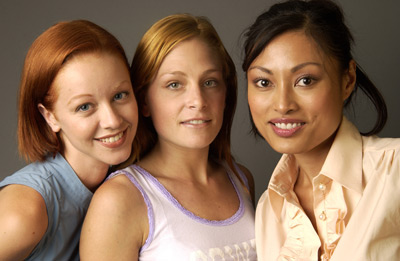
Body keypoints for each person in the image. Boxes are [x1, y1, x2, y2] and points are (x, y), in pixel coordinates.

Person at [80, 14, 257, 260]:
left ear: (226, 93)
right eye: (174, 84)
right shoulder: (120, 199)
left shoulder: (241, 179)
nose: (198, 101)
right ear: (144, 101)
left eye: (209, 82)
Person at [242, 0, 400, 260]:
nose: (283, 105)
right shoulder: (268, 210)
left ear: (347, 80)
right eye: (263, 82)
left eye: (305, 80)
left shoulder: (394, 171)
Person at [0, 20, 138, 260]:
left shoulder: (132, 180)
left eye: (119, 95)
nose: (112, 120)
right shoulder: (26, 209)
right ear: (50, 116)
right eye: (84, 106)